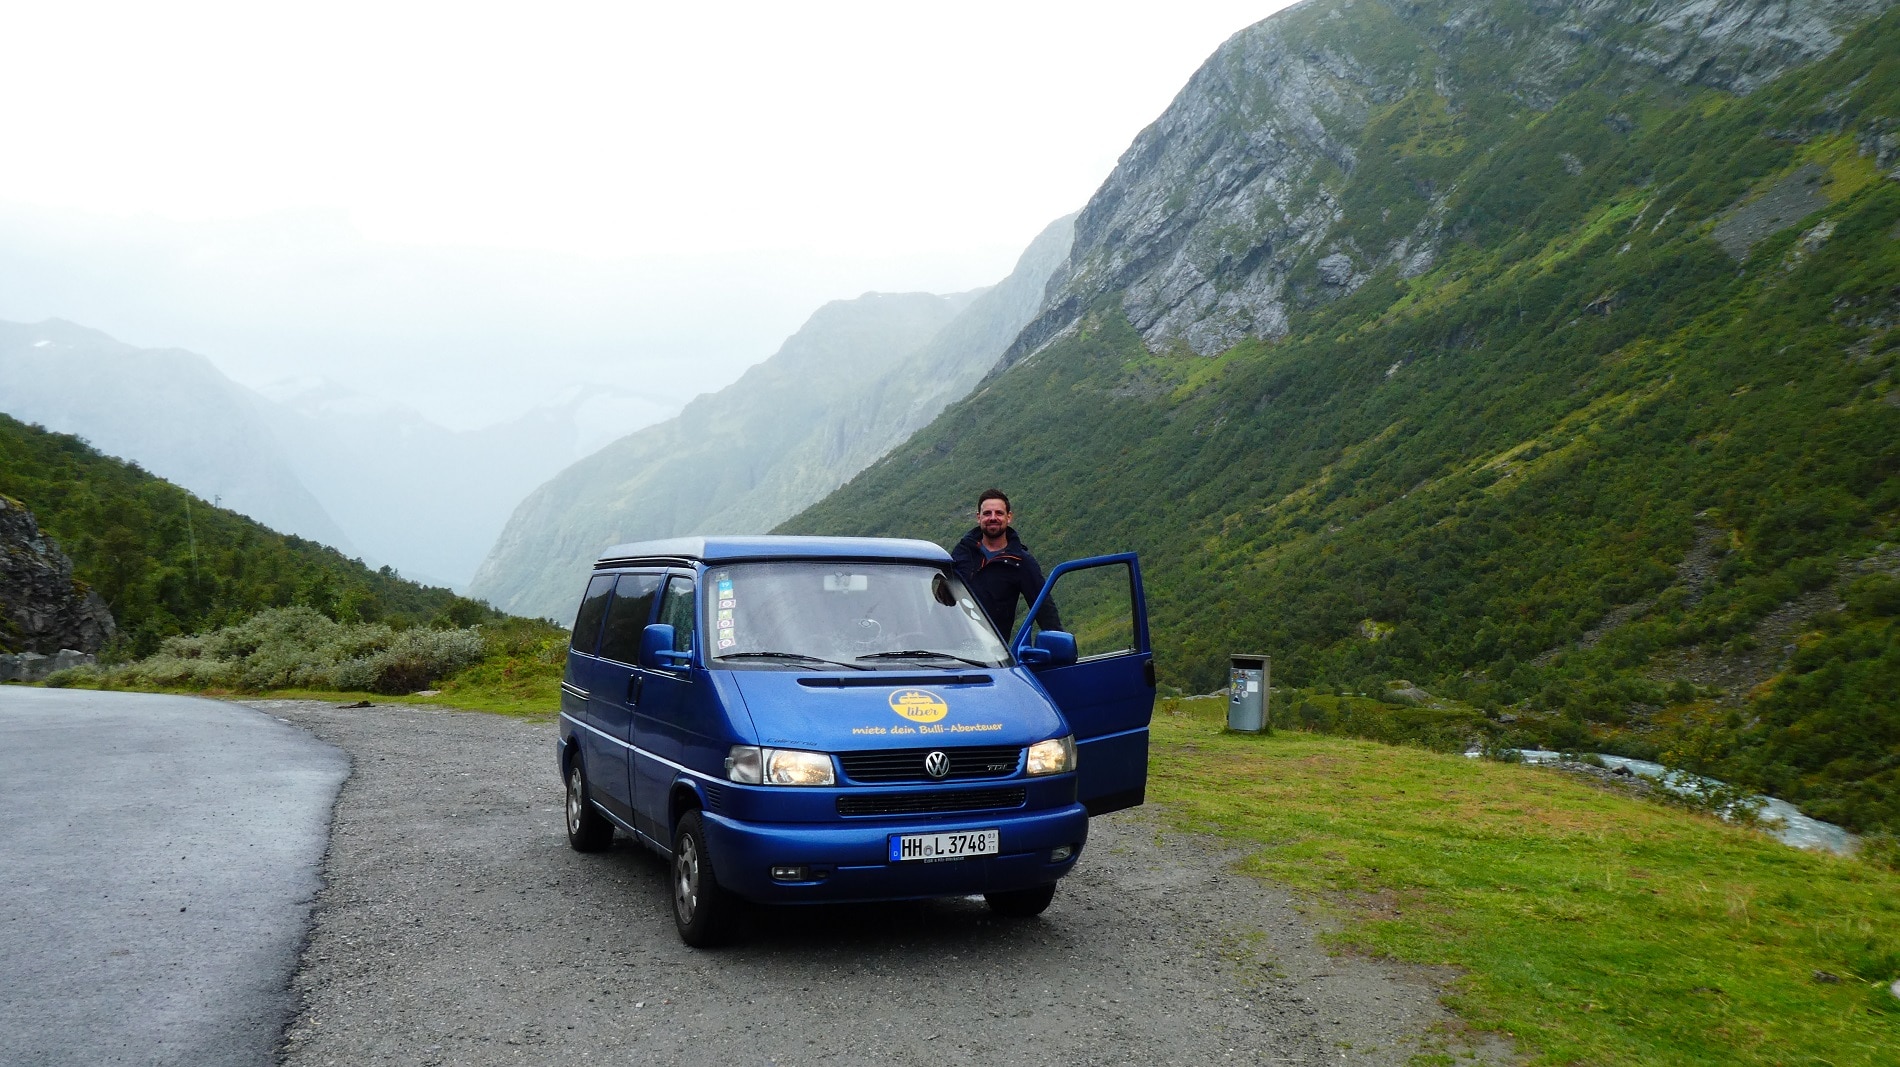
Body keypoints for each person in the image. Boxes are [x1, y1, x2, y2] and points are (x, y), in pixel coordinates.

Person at [950, 489, 1061, 640]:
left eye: (999, 513)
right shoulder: (962, 552)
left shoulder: (1020, 562)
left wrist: (1059, 644)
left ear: (1009, 517)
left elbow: (1044, 609)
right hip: (946, 649)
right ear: (978, 517)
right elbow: (939, 597)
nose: (993, 518)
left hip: (989, 655)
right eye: (987, 513)